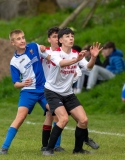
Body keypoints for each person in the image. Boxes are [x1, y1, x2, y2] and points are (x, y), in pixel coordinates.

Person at [42, 28, 102, 156]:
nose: (71, 38)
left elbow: (88, 67)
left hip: (68, 93)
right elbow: (61, 63)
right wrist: (76, 60)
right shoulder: (55, 53)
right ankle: (48, 149)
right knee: (63, 119)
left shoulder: (76, 53)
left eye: (72, 36)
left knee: (83, 120)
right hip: (52, 92)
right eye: (67, 36)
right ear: (60, 40)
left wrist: (93, 58)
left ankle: (78, 150)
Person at [0, 29, 53, 155]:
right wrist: (23, 83)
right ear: (13, 43)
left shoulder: (33, 46)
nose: (22, 40)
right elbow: (16, 84)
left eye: (23, 37)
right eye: (18, 39)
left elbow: (47, 53)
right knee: (21, 117)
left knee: (54, 112)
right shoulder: (14, 62)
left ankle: (54, 146)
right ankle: (4, 148)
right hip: (28, 92)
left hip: (44, 90)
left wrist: (45, 49)